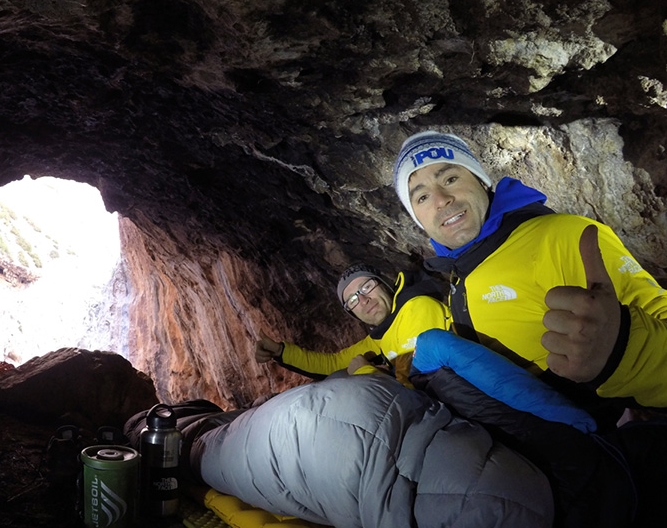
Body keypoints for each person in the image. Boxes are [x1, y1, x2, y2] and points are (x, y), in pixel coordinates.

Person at [392, 129, 667, 418]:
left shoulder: (562, 238)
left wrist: (625, 352)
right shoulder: (461, 272)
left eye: (450, 179)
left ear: (482, 182)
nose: (440, 200)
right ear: (418, 220)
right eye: (421, 197)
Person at [255, 263, 449, 385]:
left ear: (385, 285)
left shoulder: (418, 308)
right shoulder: (380, 337)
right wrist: (280, 351)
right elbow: (332, 363)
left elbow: (422, 392)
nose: (363, 300)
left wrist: (365, 372)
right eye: (353, 300)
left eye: (366, 287)